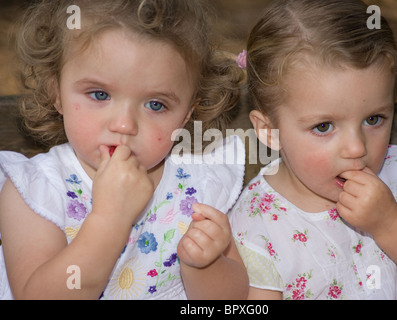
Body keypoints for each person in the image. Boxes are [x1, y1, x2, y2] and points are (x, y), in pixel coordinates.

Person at [0, 0, 249, 300]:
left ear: (186, 114)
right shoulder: (38, 191)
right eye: (99, 94)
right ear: (56, 92)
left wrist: (204, 266)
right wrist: (109, 218)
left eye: (155, 104)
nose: (124, 124)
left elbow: (233, 301)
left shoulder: (199, 188)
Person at [229, 0, 397, 300]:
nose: (357, 148)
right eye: (324, 127)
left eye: (374, 119)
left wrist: (391, 223)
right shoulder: (258, 224)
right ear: (269, 131)